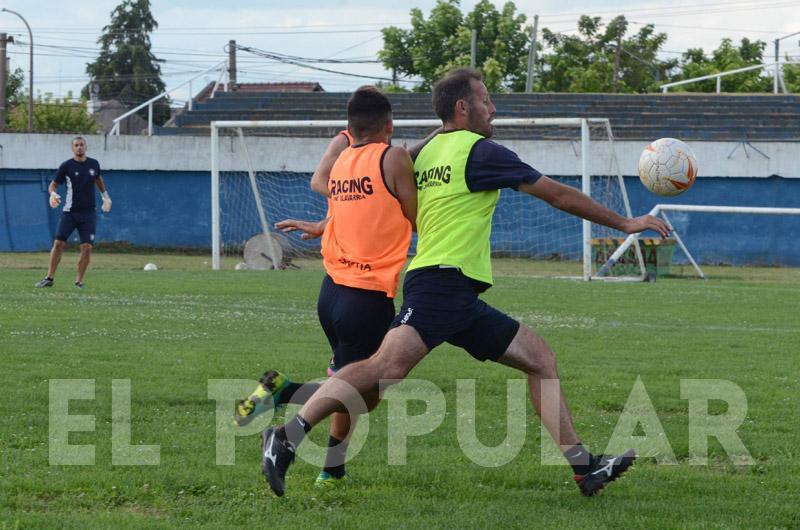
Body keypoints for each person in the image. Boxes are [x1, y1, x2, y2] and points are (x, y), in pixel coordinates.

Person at [260, 69, 672, 498]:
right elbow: (556, 194)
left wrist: (326, 222)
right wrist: (625, 221)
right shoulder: (481, 152)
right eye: (486, 99)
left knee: (540, 359)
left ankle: (584, 469)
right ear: (463, 107)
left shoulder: (422, 151)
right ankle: (287, 436)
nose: (493, 109)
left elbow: (370, 196)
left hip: (454, 290)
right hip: (441, 284)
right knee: (386, 367)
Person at [234, 86, 417, 488]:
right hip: (365, 296)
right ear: (389, 126)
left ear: (351, 128)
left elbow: (355, 210)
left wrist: (322, 225)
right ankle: (289, 408)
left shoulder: (344, 162)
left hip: (332, 293)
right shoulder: (394, 158)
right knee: (359, 391)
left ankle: (331, 466)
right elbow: (418, 219)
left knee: (356, 386)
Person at [35, 136, 111, 289]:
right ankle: (49, 278)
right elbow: (53, 185)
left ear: (86, 147)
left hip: (88, 214)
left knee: (87, 248)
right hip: (70, 212)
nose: (79, 148)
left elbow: (98, 179)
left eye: (81, 145)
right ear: (72, 148)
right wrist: (53, 194)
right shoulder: (66, 166)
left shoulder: (93, 164)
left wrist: (105, 197)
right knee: (58, 244)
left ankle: (78, 281)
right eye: (76, 145)